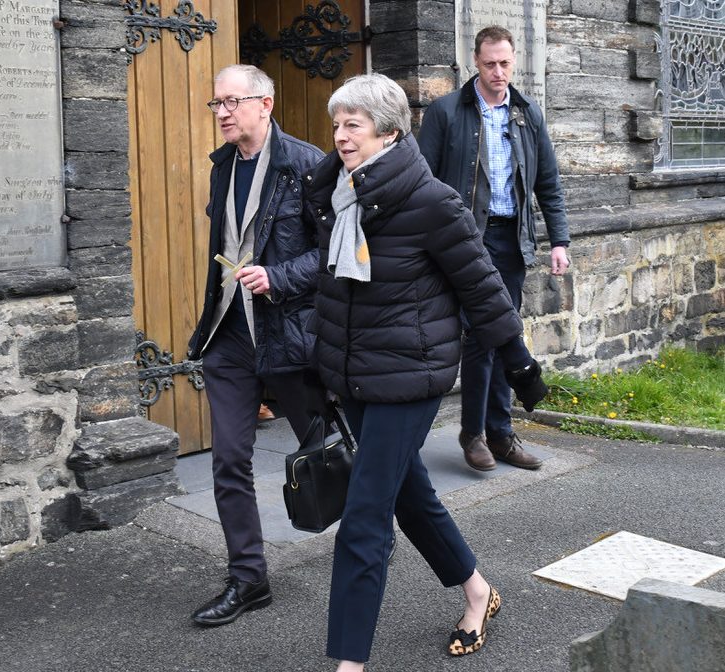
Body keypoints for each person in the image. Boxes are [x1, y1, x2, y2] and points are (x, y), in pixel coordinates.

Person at [304, 73, 548, 669]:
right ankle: (477, 590)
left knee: (365, 517)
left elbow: (484, 290)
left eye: (353, 125)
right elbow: (334, 290)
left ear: (388, 132)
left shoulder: (432, 202)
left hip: (411, 378)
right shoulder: (339, 196)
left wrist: (520, 366)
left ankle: (348, 664)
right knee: (409, 496)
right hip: (356, 376)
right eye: (336, 124)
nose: (340, 136)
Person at [187, 64, 327, 627]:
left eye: (232, 102)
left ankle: (370, 538)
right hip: (230, 335)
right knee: (228, 460)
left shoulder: (308, 165)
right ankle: (249, 579)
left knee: (327, 453)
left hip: (289, 335)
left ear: (264, 105)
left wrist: (280, 277)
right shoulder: (222, 167)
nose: (221, 112)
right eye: (215, 103)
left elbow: (337, 253)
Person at [418, 25, 570, 472]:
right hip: (465, 242)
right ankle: (480, 433)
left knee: (504, 334)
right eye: (490, 64)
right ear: (475, 63)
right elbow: (423, 180)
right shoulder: (447, 112)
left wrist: (559, 239)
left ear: (514, 60)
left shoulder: (527, 113)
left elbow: (548, 183)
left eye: (505, 63)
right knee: (478, 337)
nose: (499, 72)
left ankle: (496, 434)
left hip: (510, 241)